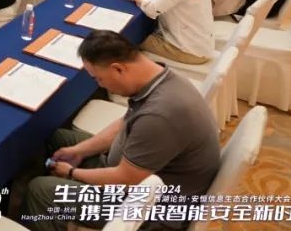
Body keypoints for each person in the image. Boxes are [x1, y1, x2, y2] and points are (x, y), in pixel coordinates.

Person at [21, 30, 220, 231]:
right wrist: (78, 151)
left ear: (118, 69)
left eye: (98, 79)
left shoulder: (160, 116)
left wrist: (72, 172)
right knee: (60, 138)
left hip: (147, 208)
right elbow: (124, 124)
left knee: (40, 190)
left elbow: (126, 180)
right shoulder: (159, 78)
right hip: (134, 174)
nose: (99, 85)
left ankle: (40, 208)